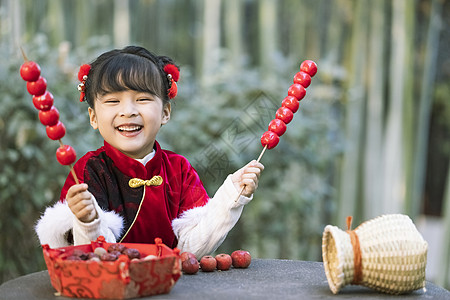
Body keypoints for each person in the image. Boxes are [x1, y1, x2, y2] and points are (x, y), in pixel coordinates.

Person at [35, 46, 264, 258]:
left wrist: (232, 195)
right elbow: (91, 256)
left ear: (165, 112)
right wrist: (88, 220)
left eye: (142, 99)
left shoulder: (179, 169)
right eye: (113, 101)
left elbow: (191, 248)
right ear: (93, 117)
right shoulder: (90, 171)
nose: (128, 111)